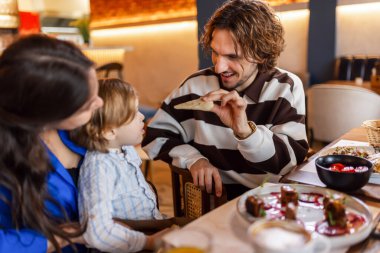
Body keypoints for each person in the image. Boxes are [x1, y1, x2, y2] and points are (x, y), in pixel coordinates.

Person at [142, 0, 309, 200]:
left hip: (267, 205)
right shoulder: (195, 86)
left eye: (233, 56)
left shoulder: (285, 88)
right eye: (215, 52)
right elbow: (154, 136)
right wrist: (194, 160)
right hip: (212, 205)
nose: (219, 67)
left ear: (261, 53)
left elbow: (290, 162)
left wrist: (245, 132)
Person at [0, 35, 103, 253]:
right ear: (45, 115)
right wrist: (59, 237)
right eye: (88, 104)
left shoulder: (74, 134)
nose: (100, 103)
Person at [71, 78, 166, 253]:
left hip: (150, 228)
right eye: (134, 113)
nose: (142, 116)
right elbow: (97, 231)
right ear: (109, 131)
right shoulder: (99, 167)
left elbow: (141, 149)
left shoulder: (122, 148)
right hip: (131, 245)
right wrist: (150, 242)